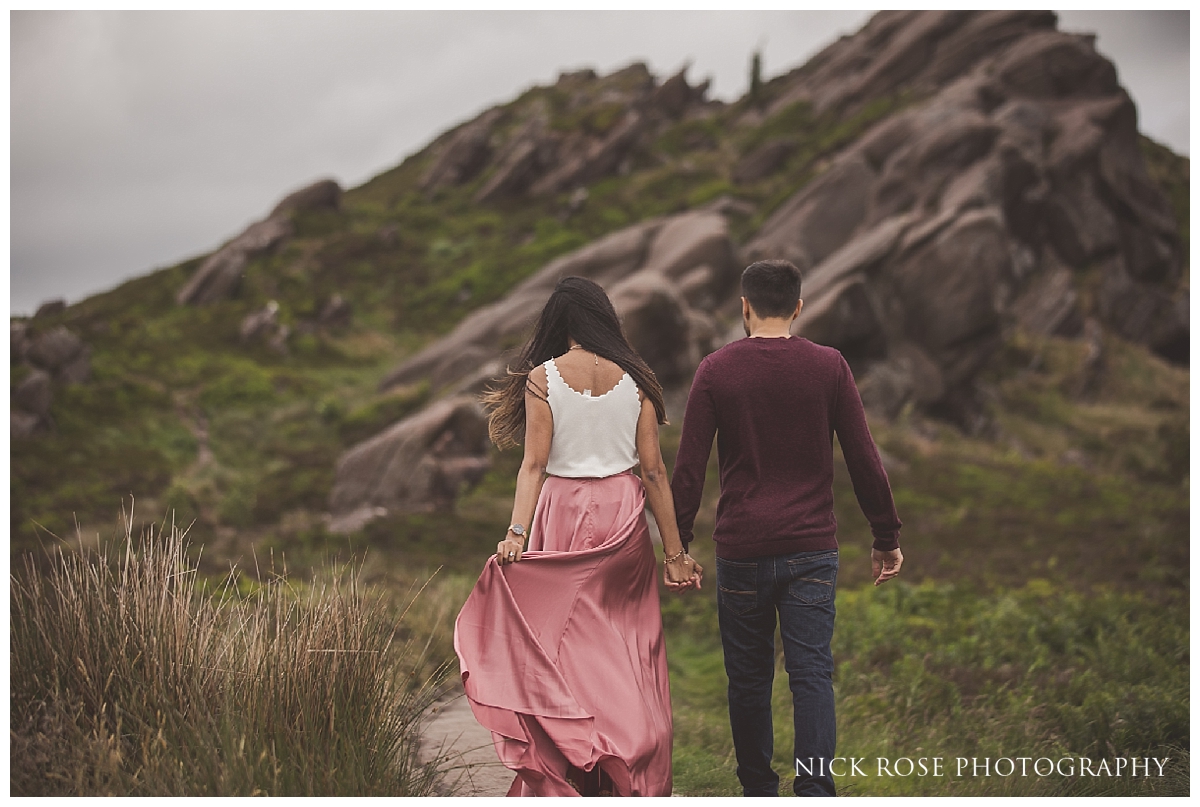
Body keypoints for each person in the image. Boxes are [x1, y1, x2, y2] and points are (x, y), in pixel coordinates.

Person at [454, 276, 703, 797]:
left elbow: (534, 466)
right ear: (604, 318)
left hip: (563, 507)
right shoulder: (637, 377)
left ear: (558, 324)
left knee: (561, 644)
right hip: (623, 510)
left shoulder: (543, 377)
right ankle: (631, 752)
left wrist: (516, 534)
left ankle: (581, 759)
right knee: (630, 639)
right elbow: (655, 471)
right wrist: (676, 553)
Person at [670, 259, 904, 797]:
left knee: (749, 682)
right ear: (799, 306)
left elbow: (689, 467)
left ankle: (758, 790)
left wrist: (677, 546)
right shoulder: (830, 366)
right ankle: (816, 792)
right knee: (811, 676)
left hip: (742, 548)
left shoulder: (716, 369)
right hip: (811, 549)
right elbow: (865, 458)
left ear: (745, 307)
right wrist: (885, 536)